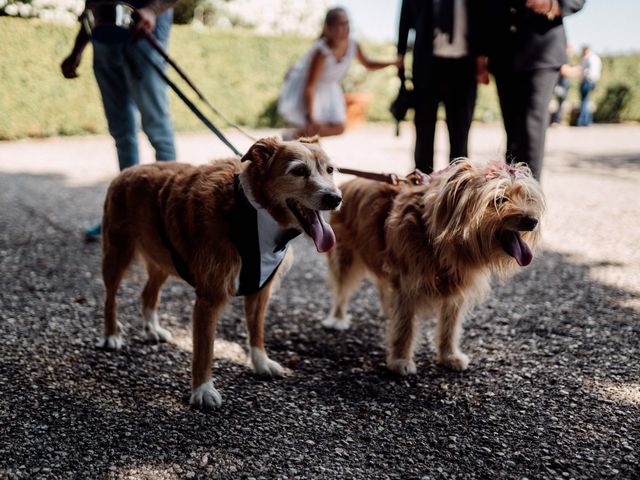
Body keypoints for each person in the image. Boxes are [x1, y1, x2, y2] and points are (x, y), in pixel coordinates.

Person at [61, 0, 177, 241]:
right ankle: (124, 215)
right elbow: (91, 5)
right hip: (103, 39)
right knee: (122, 133)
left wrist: (152, 10)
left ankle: (171, 218)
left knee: (158, 130)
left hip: (145, 34)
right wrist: (77, 49)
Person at [476, 0, 585, 179]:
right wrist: (480, 55)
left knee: (532, 127)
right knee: (512, 130)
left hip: (542, 49)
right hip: (503, 51)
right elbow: (482, 10)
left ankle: (531, 197)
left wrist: (553, 5)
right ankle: (511, 194)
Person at [277, 7, 401, 140]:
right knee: (314, 126)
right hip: (314, 90)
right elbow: (310, 85)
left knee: (339, 127)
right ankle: (297, 140)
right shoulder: (322, 51)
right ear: (329, 28)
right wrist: (310, 115)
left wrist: (392, 63)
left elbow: (368, 64)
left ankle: (295, 136)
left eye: (347, 23)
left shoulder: (353, 44)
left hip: (331, 88)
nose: (345, 27)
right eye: (340, 24)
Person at [397, 0, 484, 174]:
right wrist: (400, 54)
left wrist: (483, 61)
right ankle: (421, 186)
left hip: (464, 67)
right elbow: (405, 16)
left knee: (460, 134)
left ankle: (458, 187)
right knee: (424, 132)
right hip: (427, 65)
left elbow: (481, 19)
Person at [577, 45, 602, 126]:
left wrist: (582, 76)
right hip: (592, 81)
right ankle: (587, 120)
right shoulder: (596, 58)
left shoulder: (588, 58)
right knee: (587, 100)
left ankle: (583, 121)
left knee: (584, 101)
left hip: (587, 81)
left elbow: (587, 71)